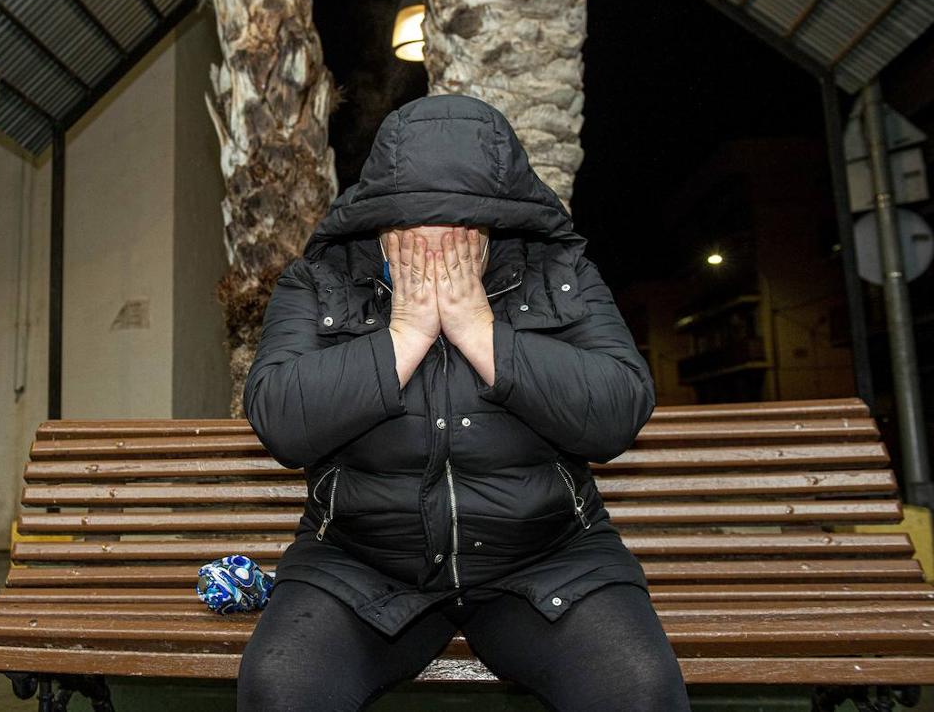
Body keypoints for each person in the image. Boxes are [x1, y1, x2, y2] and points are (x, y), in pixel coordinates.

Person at [239, 94, 690, 711]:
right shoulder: (319, 282)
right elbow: (280, 422)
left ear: (495, 224)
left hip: (546, 561)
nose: (434, 251)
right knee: (281, 690)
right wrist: (405, 335)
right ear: (381, 223)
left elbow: (616, 411)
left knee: (637, 690)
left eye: (457, 229)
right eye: (411, 227)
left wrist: (480, 330)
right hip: (360, 564)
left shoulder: (560, 276)